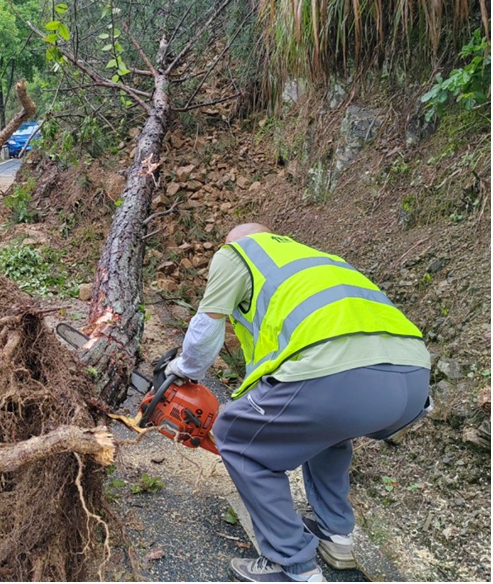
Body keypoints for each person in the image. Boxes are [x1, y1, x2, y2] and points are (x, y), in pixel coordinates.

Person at [166, 223, 431, 582]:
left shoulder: (239, 253)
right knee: (329, 435)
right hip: (412, 381)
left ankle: (291, 565)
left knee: (238, 439)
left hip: (337, 377)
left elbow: (205, 329)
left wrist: (183, 368)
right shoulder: (321, 259)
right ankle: (336, 535)